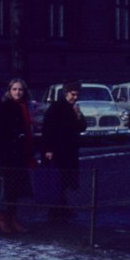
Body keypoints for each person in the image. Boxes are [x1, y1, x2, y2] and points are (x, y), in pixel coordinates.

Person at [0, 78, 37, 234]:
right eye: (14, 89)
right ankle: (2, 219)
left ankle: (13, 218)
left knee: (16, 190)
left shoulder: (24, 107)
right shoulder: (5, 107)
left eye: (20, 89)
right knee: (6, 189)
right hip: (7, 155)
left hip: (20, 155)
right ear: (9, 91)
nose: (18, 92)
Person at [40, 80, 88, 221]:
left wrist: (79, 115)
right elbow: (47, 129)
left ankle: (61, 208)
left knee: (64, 181)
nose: (75, 97)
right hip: (57, 150)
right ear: (66, 93)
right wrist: (48, 149)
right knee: (57, 180)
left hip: (69, 151)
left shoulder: (73, 108)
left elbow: (82, 127)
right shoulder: (56, 107)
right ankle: (55, 211)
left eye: (77, 94)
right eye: (73, 94)